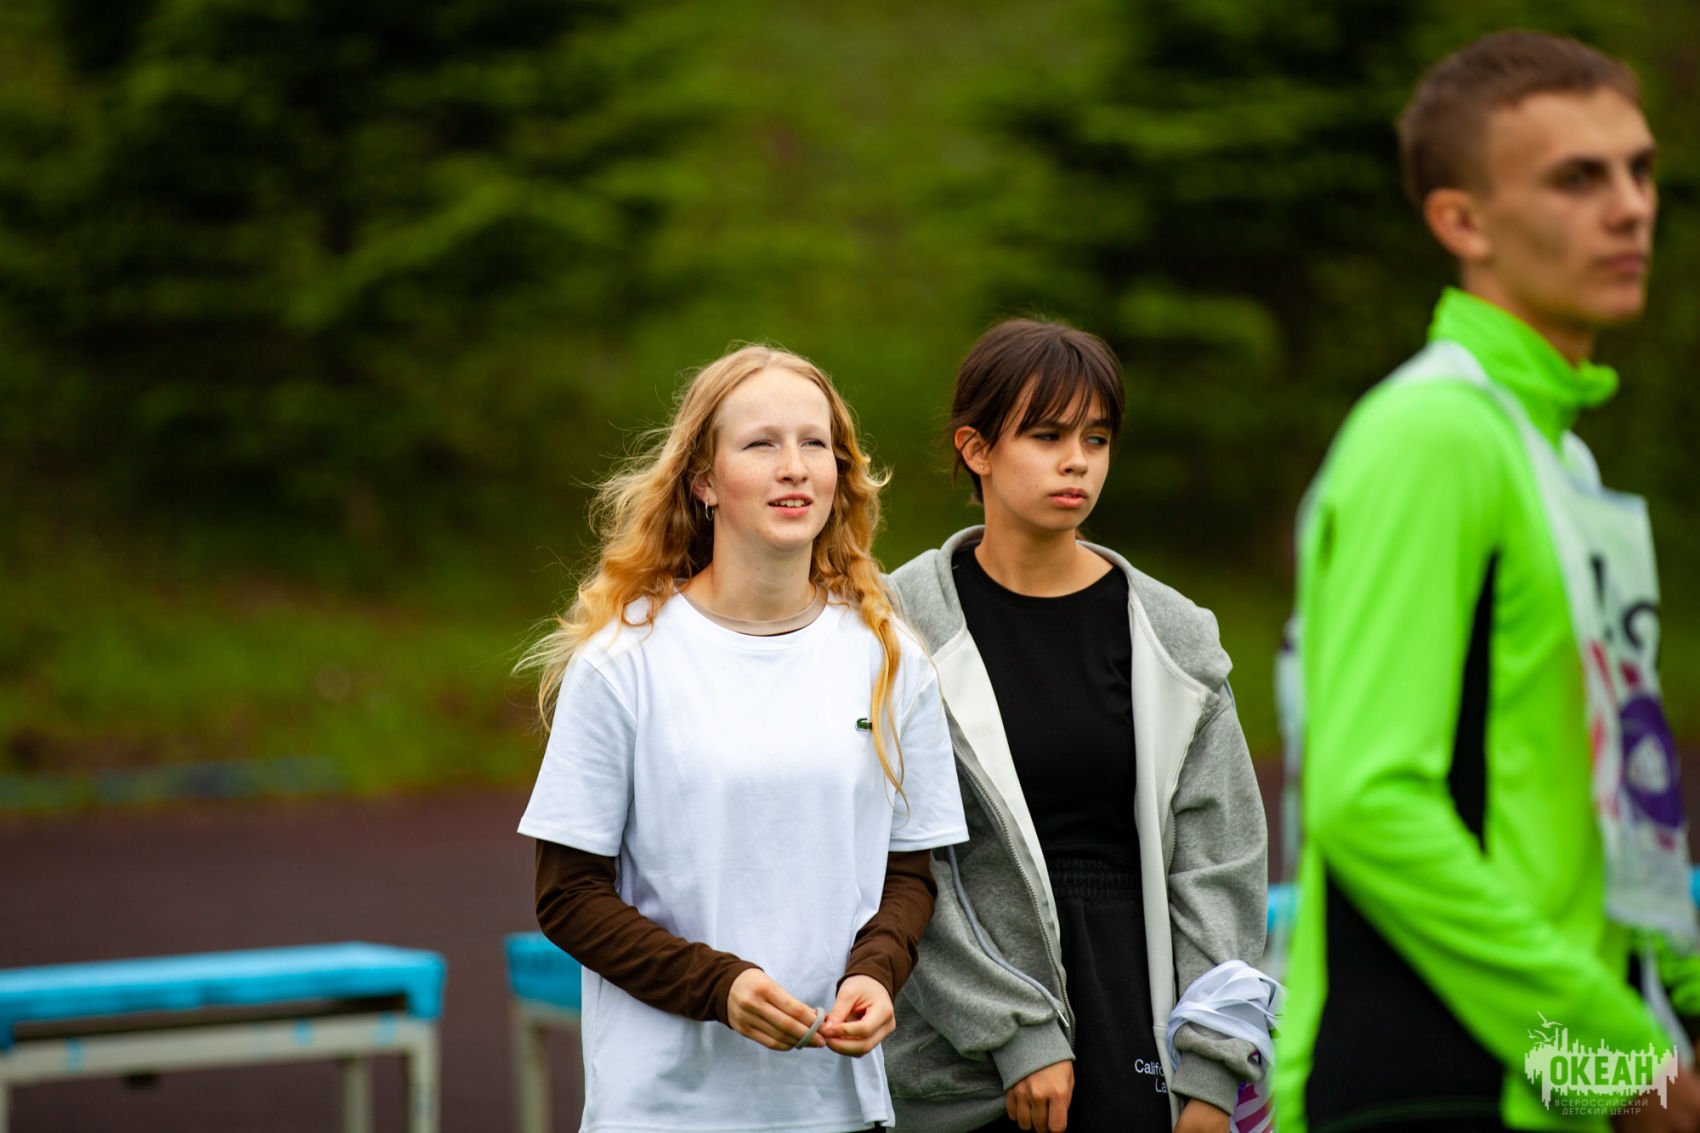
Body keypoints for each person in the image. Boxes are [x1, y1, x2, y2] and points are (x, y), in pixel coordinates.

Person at [1275, 31, 1700, 1133]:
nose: (1630, 208)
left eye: (1640, 170)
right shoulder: (1431, 434)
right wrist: (1619, 1062)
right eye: (1577, 178)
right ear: (1461, 221)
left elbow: (1617, 798)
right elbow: (1370, 803)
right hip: (1431, 1085)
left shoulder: (1559, 456)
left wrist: (1674, 1010)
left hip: (1555, 1081)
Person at [516, 344, 969, 1133]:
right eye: (761, 443)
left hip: (837, 1107)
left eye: (814, 443)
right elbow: (569, 895)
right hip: (663, 1111)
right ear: (704, 480)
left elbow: (909, 871)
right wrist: (717, 985)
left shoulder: (889, 656)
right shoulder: (624, 660)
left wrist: (877, 971)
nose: (794, 466)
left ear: (839, 472)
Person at [884, 318, 1275, 1133]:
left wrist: (1212, 1068)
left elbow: (1221, 863)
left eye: (1096, 438)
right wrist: (1016, 1032)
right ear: (976, 448)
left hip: (1139, 1023)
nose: (1078, 460)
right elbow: (900, 862)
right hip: (957, 1057)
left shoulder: (1173, 634)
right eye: (1047, 435)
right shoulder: (895, 625)